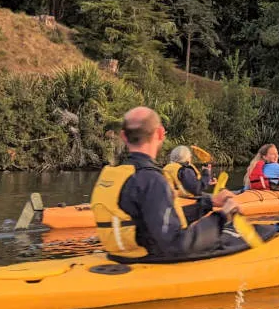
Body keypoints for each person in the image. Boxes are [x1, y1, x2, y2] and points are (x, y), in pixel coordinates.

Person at [90, 106, 242, 262]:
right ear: (160, 133)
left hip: (119, 256)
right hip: (148, 260)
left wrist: (208, 203)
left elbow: (156, 219)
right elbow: (177, 245)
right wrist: (222, 216)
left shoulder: (115, 173)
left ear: (124, 136)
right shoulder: (151, 180)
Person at [163, 145, 214, 223]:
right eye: (190, 157)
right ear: (186, 158)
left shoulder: (170, 168)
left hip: (177, 197)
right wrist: (206, 172)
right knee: (213, 198)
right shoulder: (184, 171)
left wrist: (207, 181)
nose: (191, 158)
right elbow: (197, 189)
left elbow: (185, 184)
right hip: (190, 199)